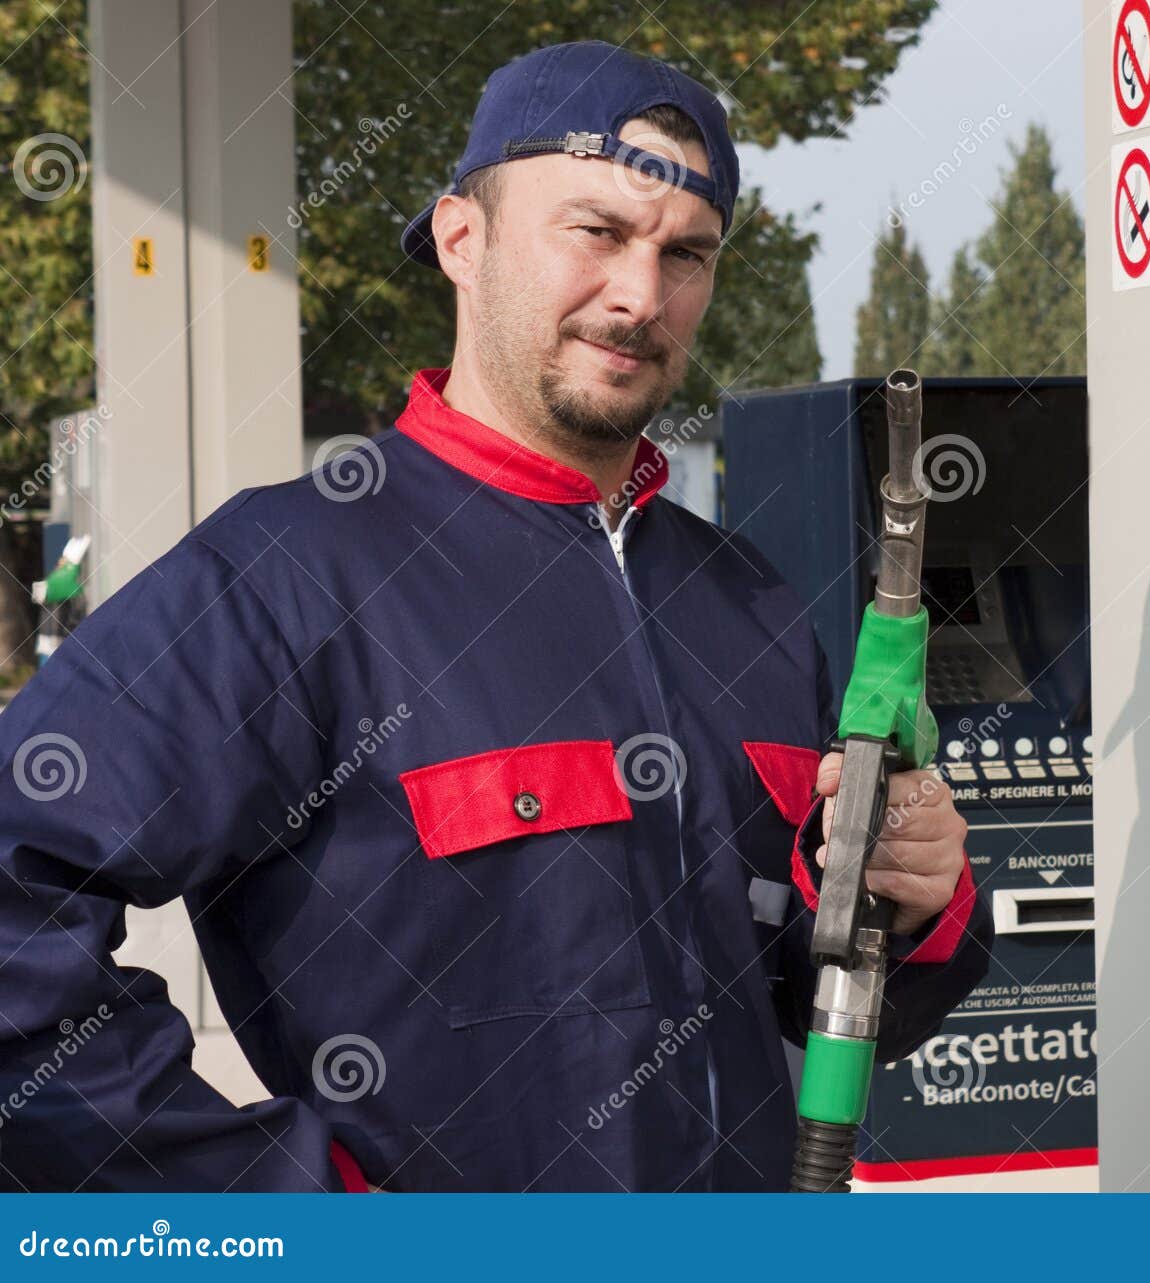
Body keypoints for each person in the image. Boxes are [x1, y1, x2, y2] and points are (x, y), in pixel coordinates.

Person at [0, 40, 991, 1192]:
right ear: (462, 240)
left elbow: (809, 1005)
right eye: (597, 233)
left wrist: (910, 908)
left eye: (686, 254)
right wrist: (275, 1209)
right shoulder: (286, 574)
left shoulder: (749, 602)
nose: (639, 295)